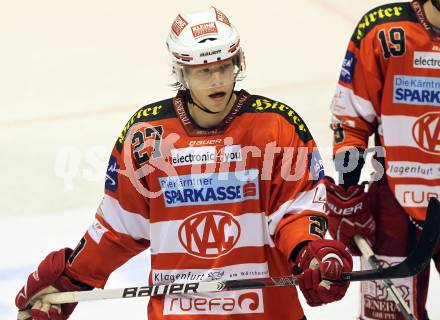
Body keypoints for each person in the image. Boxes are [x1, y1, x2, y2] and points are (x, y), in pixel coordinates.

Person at [15, 7, 353, 320]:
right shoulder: (147, 135)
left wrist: (311, 252)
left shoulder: (276, 125)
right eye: (203, 71)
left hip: (266, 312)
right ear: (181, 71)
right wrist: (69, 281)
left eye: (223, 66)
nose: (217, 80)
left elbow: (296, 210)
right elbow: (118, 227)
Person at [324, 1, 440, 319]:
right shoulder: (382, 31)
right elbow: (351, 120)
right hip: (394, 204)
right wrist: (348, 191)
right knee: (386, 317)